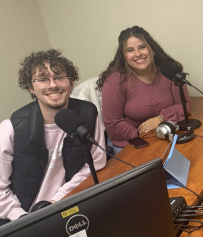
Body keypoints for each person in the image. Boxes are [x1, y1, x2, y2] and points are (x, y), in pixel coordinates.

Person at [0, 50, 106, 225]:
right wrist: (21, 218)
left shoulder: (88, 114)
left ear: (71, 83)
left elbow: (96, 162)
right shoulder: (10, 128)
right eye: (42, 79)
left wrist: (57, 200)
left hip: (71, 203)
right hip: (24, 218)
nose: (52, 85)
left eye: (59, 77)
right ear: (31, 88)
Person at [97, 26, 192, 153]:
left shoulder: (169, 71)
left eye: (142, 47)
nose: (138, 54)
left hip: (166, 136)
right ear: (124, 56)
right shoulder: (115, 81)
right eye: (130, 50)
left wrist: (160, 119)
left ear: (152, 50)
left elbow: (184, 105)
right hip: (130, 143)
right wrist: (147, 138)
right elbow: (113, 123)